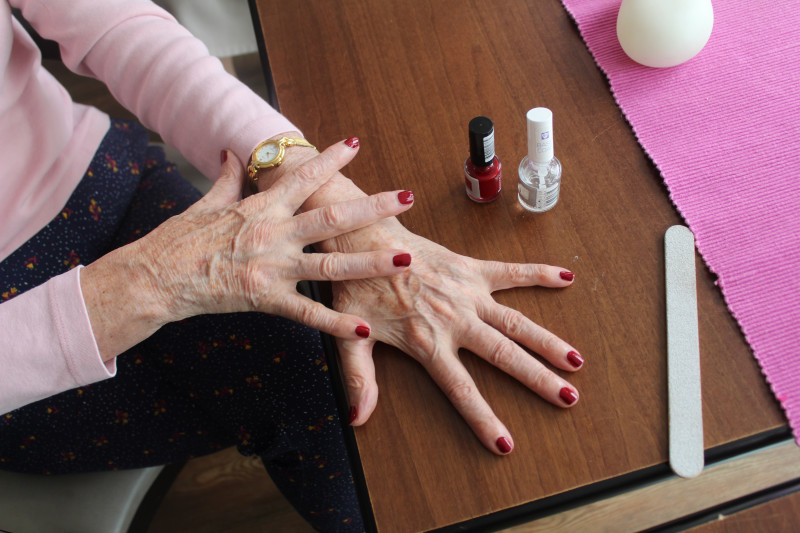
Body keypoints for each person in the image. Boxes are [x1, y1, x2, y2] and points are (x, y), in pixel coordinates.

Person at [0, 0, 584, 530]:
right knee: (343, 413)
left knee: (360, 366)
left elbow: (111, 20)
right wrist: (148, 283)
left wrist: (322, 193)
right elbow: (157, 282)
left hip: (101, 176)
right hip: (20, 345)